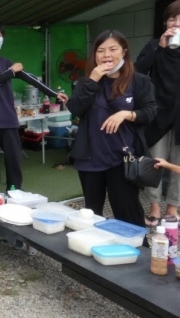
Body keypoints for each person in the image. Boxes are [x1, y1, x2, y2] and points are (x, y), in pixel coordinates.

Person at [66, 30, 156, 228]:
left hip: (123, 158)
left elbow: (150, 112)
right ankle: (93, 246)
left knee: (128, 215)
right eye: (101, 50)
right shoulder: (86, 81)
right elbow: (75, 109)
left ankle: (139, 246)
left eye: (113, 49)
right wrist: (92, 81)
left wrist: (126, 114)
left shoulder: (139, 81)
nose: (106, 55)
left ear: (124, 52)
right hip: (90, 157)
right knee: (92, 215)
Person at [0, 24, 67, 194]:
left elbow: (30, 78)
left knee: (14, 157)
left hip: (8, 119)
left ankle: (14, 190)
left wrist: (54, 93)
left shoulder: (5, 61)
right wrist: (11, 71)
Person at [135, 0, 180, 228]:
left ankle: (173, 208)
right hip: (158, 114)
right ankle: (154, 207)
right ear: (165, 23)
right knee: (154, 162)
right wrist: (160, 47)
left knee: (178, 164)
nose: (176, 24)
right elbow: (138, 71)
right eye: (172, 19)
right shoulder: (154, 46)